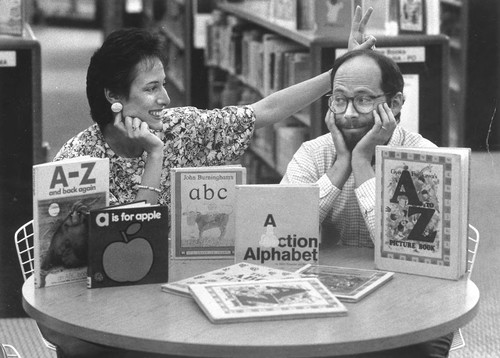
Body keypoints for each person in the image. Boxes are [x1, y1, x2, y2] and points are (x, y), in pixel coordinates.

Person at [46, 6, 376, 358]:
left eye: (163, 85)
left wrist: (339, 73)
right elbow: (132, 250)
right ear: (114, 97)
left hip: (173, 296)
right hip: (108, 308)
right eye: (152, 88)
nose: (166, 99)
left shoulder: (181, 128)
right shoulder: (78, 164)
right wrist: (154, 157)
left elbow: (262, 112)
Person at [280, 48, 453, 357]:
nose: (347, 113)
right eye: (339, 99)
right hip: (327, 300)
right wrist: (339, 166)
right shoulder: (313, 153)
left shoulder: (424, 159)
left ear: (396, 103)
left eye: (362, 100)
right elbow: (281, 235)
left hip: (405, 305)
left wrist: (361, 162)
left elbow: (407, 254)